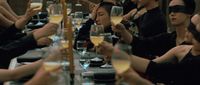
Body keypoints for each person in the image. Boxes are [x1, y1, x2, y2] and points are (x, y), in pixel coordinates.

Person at [99, 13, 200, 85]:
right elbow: (153, 65)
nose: (187, 28)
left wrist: (115, 53)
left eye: (193, 28)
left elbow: (160, 70)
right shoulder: (182, 49)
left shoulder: (195, 62)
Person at [113, 0, 195, 59]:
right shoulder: (167, 39)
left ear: (189, 12)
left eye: (177, 9)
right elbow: (141, 43)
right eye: (170, 10)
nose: (172, 13)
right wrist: (123, 31)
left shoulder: (195, 42)